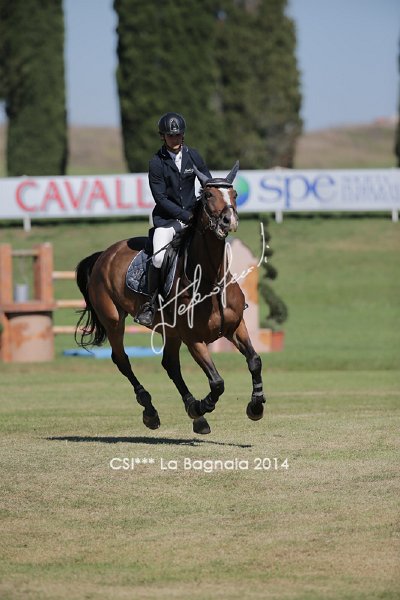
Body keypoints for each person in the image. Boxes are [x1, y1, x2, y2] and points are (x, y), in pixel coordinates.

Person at [135, 112, 212, 326]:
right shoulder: (156, 162)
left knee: (214, 246)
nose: (175, 139)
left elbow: (207, 182)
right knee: (159, 258)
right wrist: (185, 215)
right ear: (163, 136)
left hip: (194, 218)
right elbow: (160, 198)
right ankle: (150, 305)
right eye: (170, 136)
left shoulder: (193, 156)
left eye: (178, 135)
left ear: (183, 135)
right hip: (167, 221)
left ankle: (224, 291)